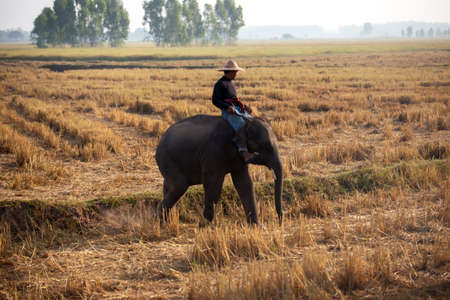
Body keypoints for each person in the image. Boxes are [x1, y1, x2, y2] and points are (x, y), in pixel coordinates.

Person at [212, 60, 259, 163]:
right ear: (230, 72)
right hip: (228, 112)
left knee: (252, 122)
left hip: (237, 110)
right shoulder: (220, 84)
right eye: (235, 72)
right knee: (241, 125)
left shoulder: (230, 83)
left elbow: (234, 99)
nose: (237, 74)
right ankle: (244, 152)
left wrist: (245, 107)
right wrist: (227, 107)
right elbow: (215, 100)